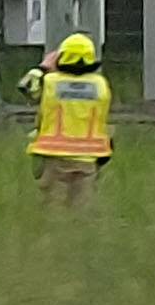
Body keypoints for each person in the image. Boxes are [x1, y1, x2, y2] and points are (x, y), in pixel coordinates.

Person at [25, 30, 111, 205]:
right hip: (88, 157)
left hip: (55, 155)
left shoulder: (50, 82)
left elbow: (26, 86)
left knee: (53, 209)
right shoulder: (100, 84)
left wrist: (43, 66)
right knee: (81, 209)